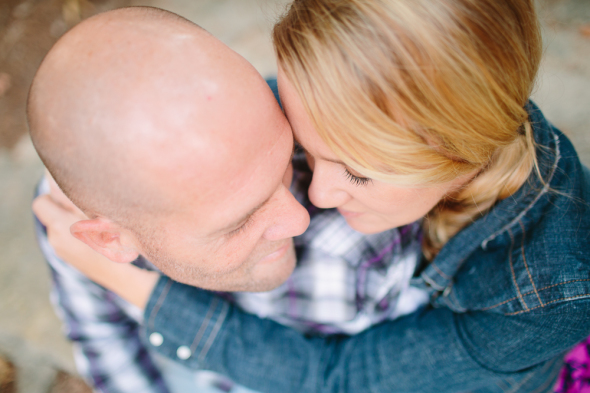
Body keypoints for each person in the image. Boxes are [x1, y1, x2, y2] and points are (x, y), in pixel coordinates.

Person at [47, 0, 590, 391]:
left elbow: (343, 379)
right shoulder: (352, 112)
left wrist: (138, 292)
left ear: (466, 157)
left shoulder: (547, 299)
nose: (315, 198)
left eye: (355, 172)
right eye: (303, 145)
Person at [30, 6, 427, 392]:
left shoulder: (366, 250)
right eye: (240, 221)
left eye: (286, 158)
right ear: (109, 241)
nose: (301, 215)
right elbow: (102, 338)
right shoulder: (69, 210)